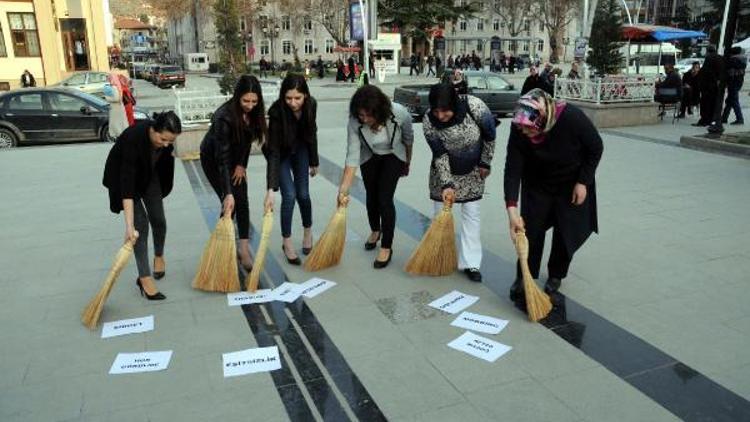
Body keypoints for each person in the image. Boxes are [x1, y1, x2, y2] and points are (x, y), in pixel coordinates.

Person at [504, 89, 603, 301]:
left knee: (565, 231)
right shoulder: (519, 124)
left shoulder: (571, 118)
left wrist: (583, 182)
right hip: (538, 182)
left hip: (571, 182)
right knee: (531, 230)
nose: (523, 132)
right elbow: (512, 168)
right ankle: (525, 276)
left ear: (542, 121)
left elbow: (595, 147)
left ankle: (556, 275)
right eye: (520, 128)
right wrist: (512, 210)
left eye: (528, 129)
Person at [102, 111, 183, 301]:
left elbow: (165, 162)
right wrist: (129, 226)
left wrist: (167, 147)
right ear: (153, 129)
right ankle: (144, 278)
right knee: (141, 227)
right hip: (125, 181)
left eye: (170, 142)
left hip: (149, 175)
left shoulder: (164, 140)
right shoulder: (133, 138)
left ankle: (159, 256)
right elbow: (127, 186)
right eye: (163, 139)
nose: (165, 145)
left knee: (159, 220)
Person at [423, 83, 496, 282]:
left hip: (473, 171)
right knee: (440, 215)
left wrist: (485, 162)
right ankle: (439, 257)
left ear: (454, 104)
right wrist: (447, 184)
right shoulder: (429, 121)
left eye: (444, 111)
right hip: (443, 171)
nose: (440, 116)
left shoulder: (475, 107)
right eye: (436, 111)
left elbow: (490, 135)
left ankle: (470, 263)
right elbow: (439, 153)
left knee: (471, 214)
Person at [338, 85, 413, 268]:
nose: (364, 119)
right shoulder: (355, 121)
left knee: (384, 199)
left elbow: (408, 139)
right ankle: (375, 230)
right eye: (361, 115)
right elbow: (352, 155)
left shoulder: (400, 113)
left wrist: (407, 163)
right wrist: (343, 190)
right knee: (371, 196)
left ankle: (386, 246)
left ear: (379, 111)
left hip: (393, 155)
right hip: (369, 156)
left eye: (368, 115)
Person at [200, 75, 267, 271]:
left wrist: (242, 165)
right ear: (237, 97)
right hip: (214, 159)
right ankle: (224, 250)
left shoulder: (255, 112)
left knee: (243, 201)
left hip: (236, 159)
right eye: (246, 100)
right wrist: (227, 192)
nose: (250, 105)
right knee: (230, 203)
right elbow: (222, 159)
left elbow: (247, 141)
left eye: (254, 101)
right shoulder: (224, 117)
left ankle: (243, 249)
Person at [263, 75, 319, 264]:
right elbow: (273, 151)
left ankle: (307, 233)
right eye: (288, 98)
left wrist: (314, 160)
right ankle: (286, 242)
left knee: (303, 194)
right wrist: (271, 189)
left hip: (301, 150)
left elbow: (312, 133)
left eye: (297, 98)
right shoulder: (277, 112)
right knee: (289, 195)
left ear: (305, 95)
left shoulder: (312, 105)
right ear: (282, 96)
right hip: (282, 154)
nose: (293, 103)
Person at [695, 45, 723, 126]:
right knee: (714, 103)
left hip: (708, 85)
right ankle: (712, 119)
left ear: (707, 51)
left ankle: (704, 120)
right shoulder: (720, 58)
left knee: (705, 103)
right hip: (717, 85)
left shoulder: (709, 58)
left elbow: (705, 72)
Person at [722, 47, 747, 125]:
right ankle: (724, 118)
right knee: (730, 100)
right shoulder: (743, 60)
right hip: (739, 81)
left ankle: (740, 119)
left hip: (733, 82)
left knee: (734, 100)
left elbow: (728, 72)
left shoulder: (732, 60)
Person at [104, 74, 129, 139]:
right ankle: (121, 135)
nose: (108, 80)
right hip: (118, 108)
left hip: (116, 108)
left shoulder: (114, 88)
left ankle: (119, 136)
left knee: (117, 123)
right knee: (119, 123)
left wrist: (107, 98)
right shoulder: (116, 87)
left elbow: (116, 98)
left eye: (109, 78)